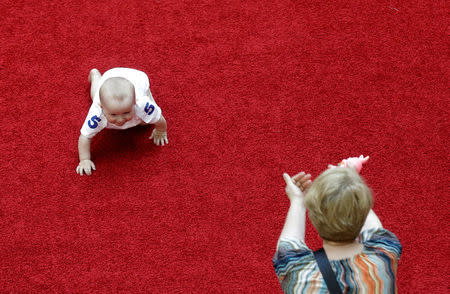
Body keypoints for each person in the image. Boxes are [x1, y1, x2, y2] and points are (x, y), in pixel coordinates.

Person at [273, 156, 402, 293]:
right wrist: (350, 181)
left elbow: (288, 244)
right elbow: (373, 226)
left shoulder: (298, 272)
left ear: (314, 220)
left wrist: (297, 201)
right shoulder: (385, 252)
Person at [76, 68, 168, 176]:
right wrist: (84, 159)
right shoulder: (97, 114)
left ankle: (145, 97)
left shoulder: (142, 105)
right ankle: (96, 75)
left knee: (146, 123)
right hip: (108, 78)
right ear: (102, 107)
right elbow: (85, 136)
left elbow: (158, 118)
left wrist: (161, 131)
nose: (120, 120)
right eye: (113, 114)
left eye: (126, 112)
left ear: (134, 103)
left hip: (136, 78)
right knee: (95, 95)